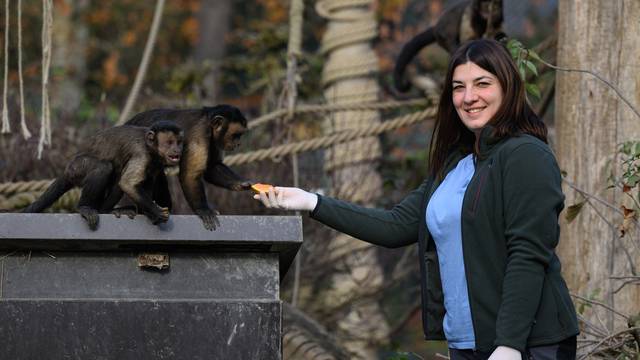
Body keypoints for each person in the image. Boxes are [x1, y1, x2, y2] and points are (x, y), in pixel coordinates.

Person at [254, 39, 579, 360]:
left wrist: (509, 345)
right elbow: (394, 226)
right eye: (458, 87)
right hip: (467, 343)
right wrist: (312, 202)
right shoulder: (456, 163)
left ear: (507, 87)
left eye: (482, 84)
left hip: (530, 343)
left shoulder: (525, 155)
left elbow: (528, 253)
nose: (469, 98)